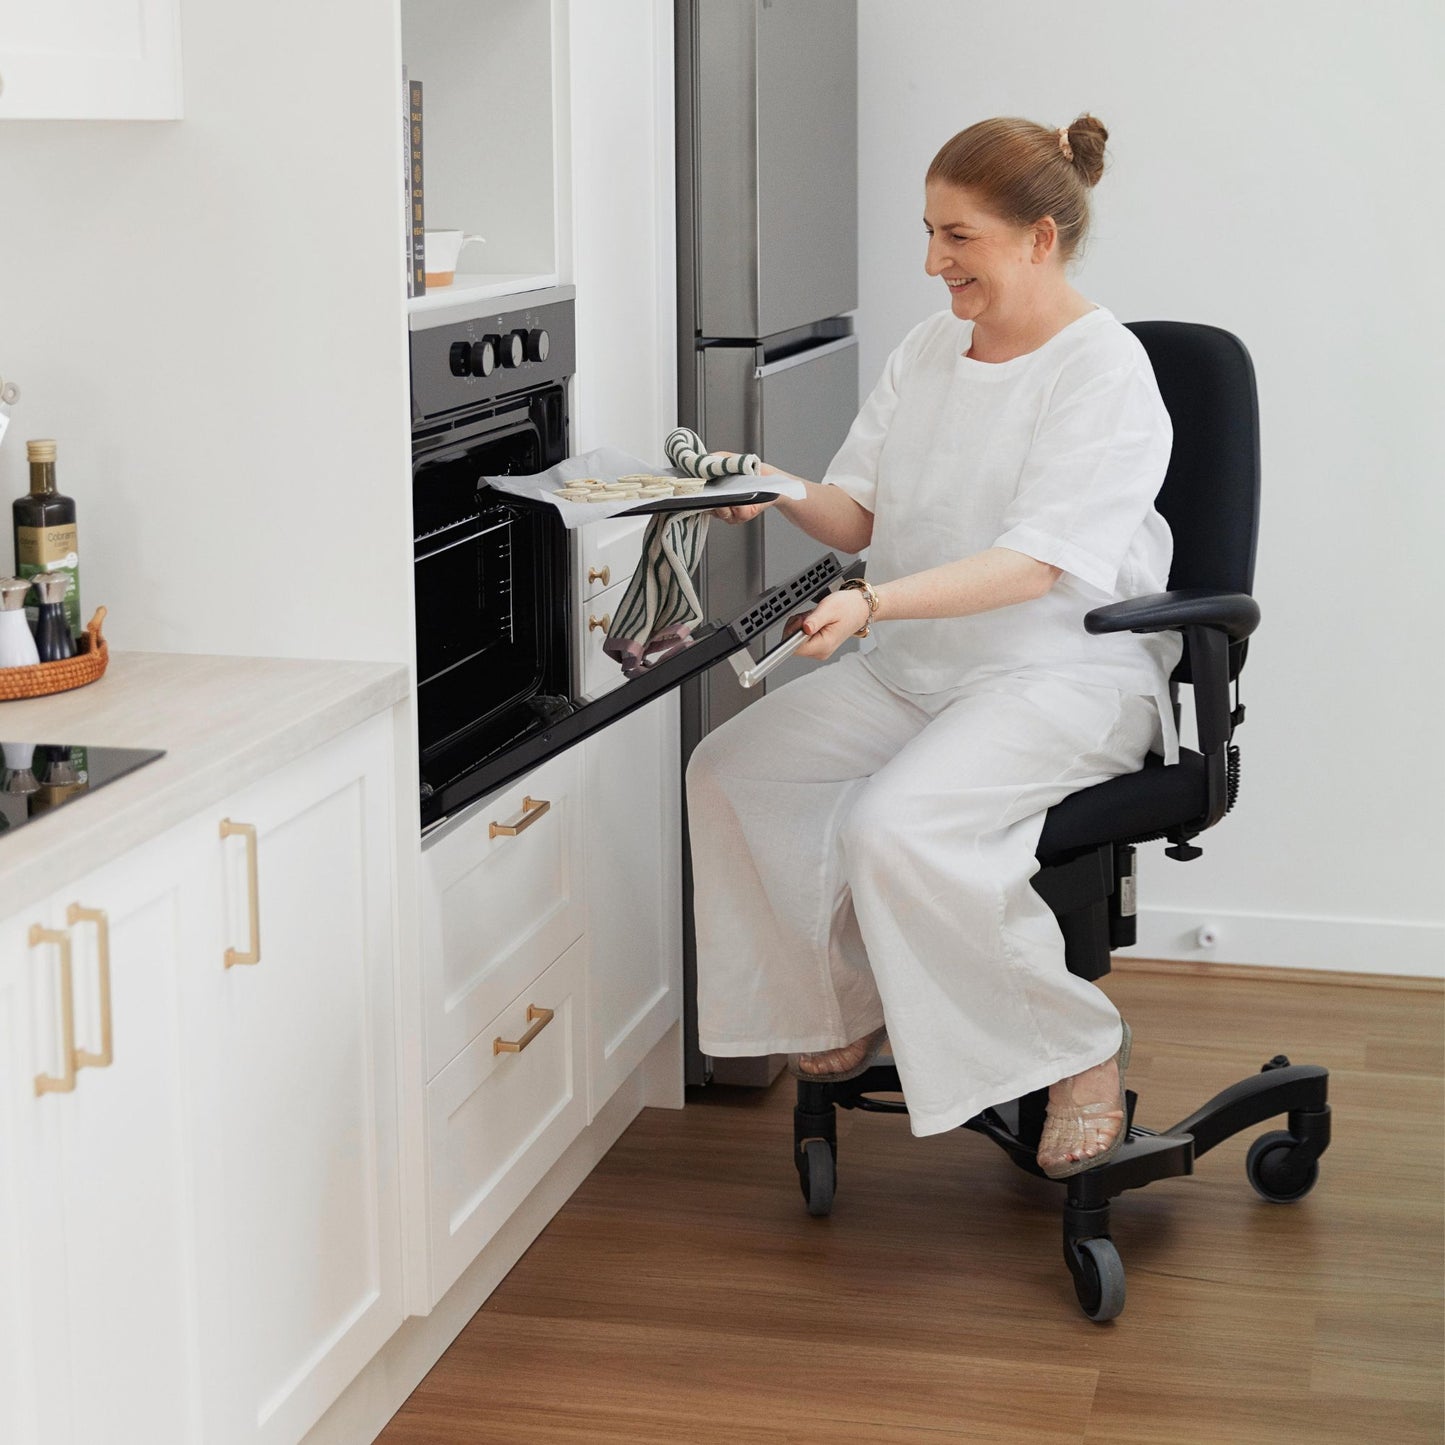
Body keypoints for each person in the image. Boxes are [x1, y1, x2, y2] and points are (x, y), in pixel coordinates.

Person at [686, 114, 1182, 1179]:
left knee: (893, 828)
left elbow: (1031, 566)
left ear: (1037, 238)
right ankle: (839, 1001)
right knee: (731, 769)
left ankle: (1077, 1048)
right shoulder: (929, 348)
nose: (930, 262)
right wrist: (768, 484)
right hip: (923, 667)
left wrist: (872, 607)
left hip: (1061, 670)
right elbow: (858, 513)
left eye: (956, 237)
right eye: (927, 231)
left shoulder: (1102, 371)